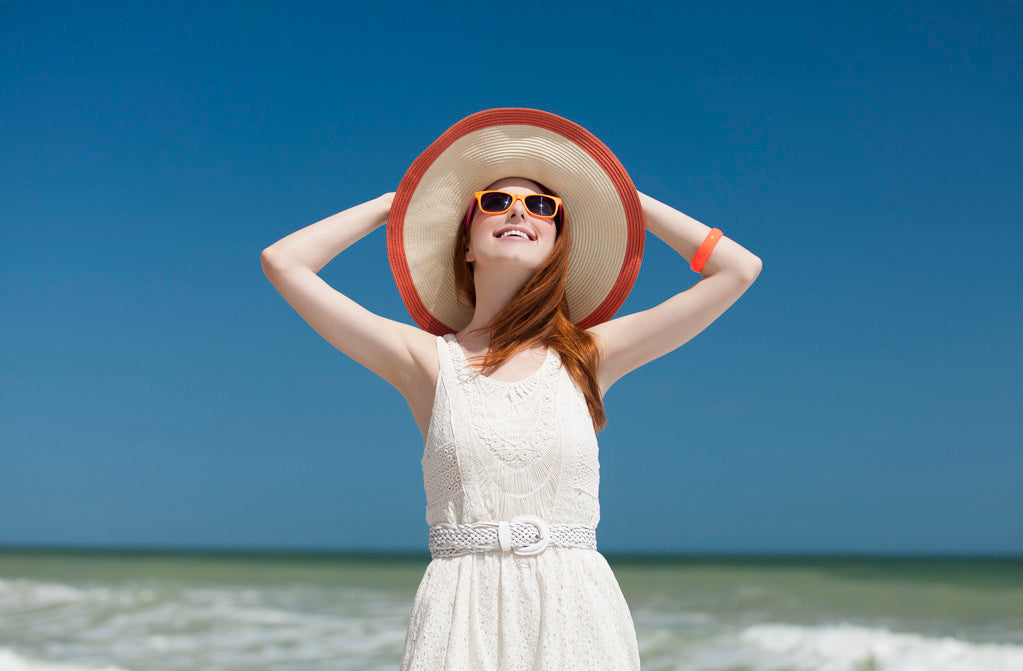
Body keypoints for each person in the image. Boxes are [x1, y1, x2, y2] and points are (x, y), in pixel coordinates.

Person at [260, 108, 762, 670]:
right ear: (466, 242)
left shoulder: (588, 357)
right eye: (495, 203)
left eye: (544, 207)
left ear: (556, 242)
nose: (520, 211)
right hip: (460, 615)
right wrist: (396, 204)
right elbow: (284, 262)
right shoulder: (426, 361)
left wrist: (622, 199)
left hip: (576, 617)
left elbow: (737, 269)